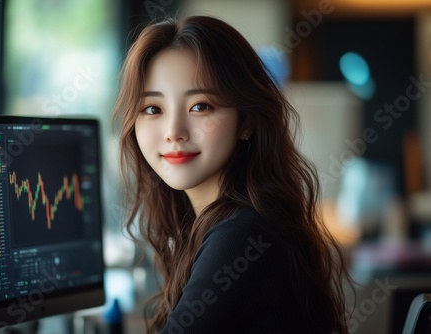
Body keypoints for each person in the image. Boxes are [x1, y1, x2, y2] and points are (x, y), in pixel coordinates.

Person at [113, 15, 351, 334]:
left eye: (201, 106)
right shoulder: (230, 223)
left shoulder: (242, 237)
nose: (173, 132)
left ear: (247, 122)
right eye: (153, 109)